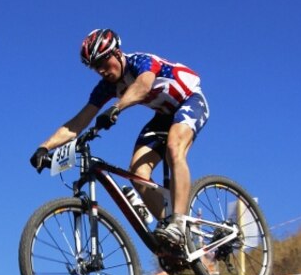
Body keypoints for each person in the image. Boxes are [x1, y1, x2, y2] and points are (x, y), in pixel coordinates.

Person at [29, 28, 209, 250]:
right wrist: (44, 147)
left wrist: (116, 107)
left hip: (189, 101)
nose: (102, 71)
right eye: (96, 67)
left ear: (117, 53)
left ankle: (179, 224)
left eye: (104, 63)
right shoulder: (106, 87)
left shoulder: (140, 61)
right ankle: (171, 234)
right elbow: (79, 121)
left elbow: (143, 86)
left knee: (174, 147)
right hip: (163, 117)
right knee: (137, 174)